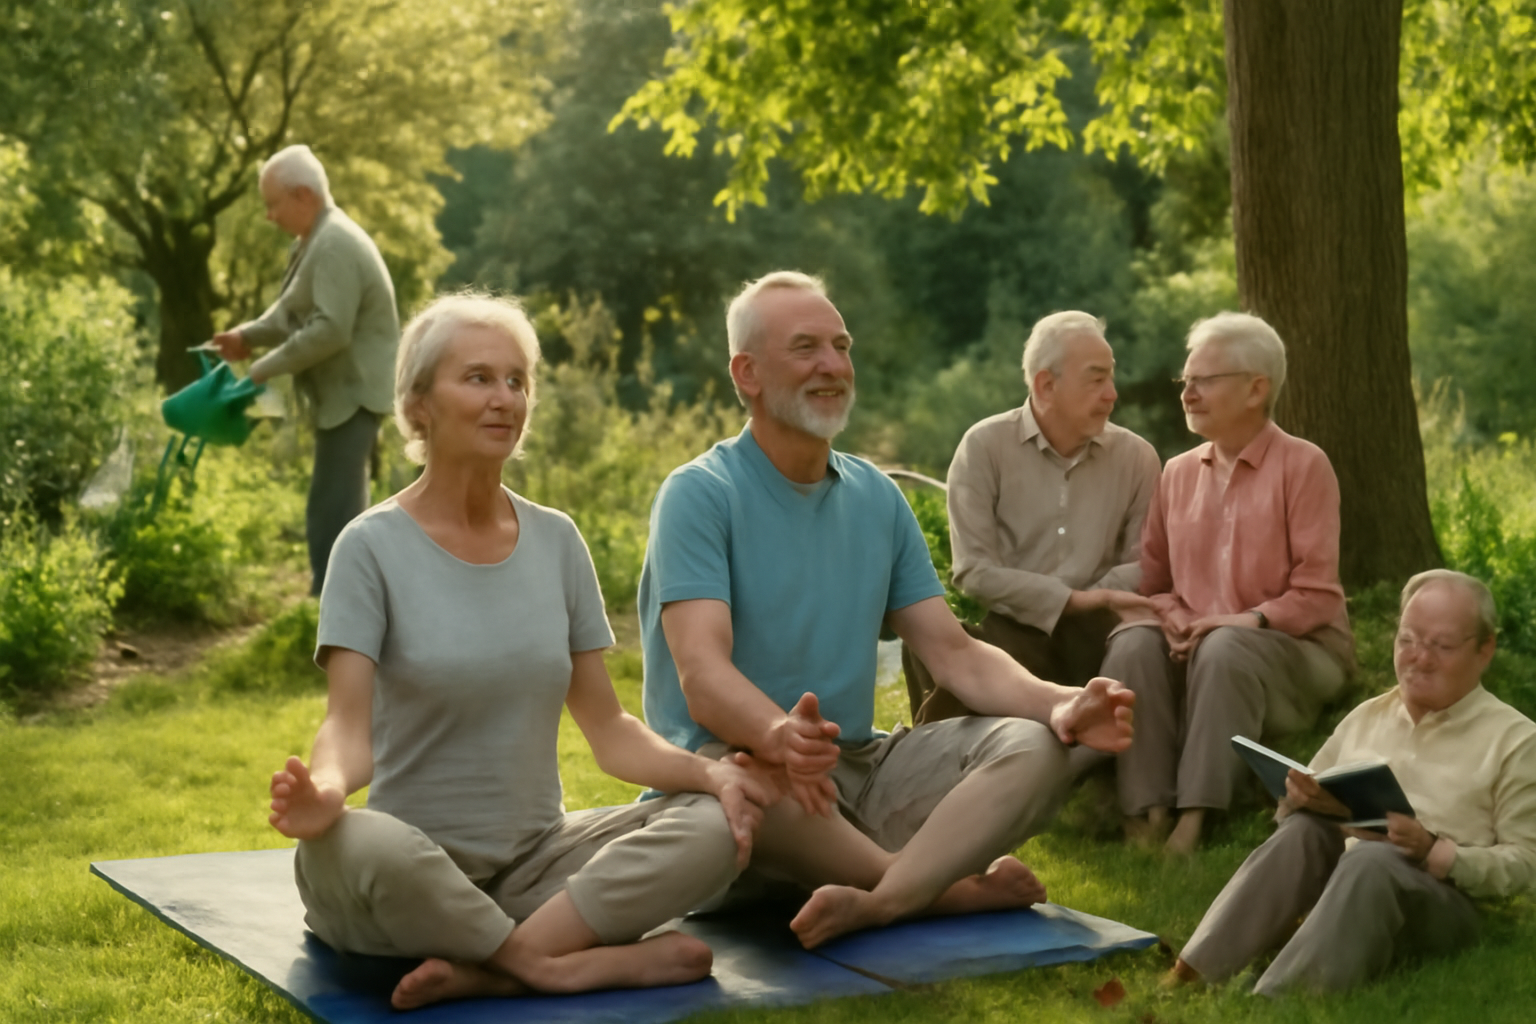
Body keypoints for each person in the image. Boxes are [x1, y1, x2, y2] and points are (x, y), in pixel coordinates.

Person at [266, 294, 774, 1011]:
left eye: (516, 380)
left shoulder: (558, 541)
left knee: (717, 820)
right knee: (361, 846)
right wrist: (323, 791)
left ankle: (494, 966)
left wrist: (710, 774)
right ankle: (554, 965)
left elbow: (610, 730)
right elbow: (348, 726)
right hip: (411, 870)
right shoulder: (370, 546)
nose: (505, 398)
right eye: (477, 378)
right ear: (418, 405)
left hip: (538, 867)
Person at [638, 271, 1135, 950]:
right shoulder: (700, 494)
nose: (833, 365)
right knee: (752, 780)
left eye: (841, 346)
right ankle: (934, 889)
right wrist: (780, 735)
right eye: (806, 347)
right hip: (742, 794)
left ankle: (885, 899)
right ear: (747, 372)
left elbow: (953, 651)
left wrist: (1059, 703)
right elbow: (701, 674)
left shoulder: (875, 495)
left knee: (1038, 745)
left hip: (862, 773)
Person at [1167, 570, 1536, 996]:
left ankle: (1281, 1003)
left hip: (1447, 901)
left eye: (1442, 646)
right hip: (1350, 884)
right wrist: (1300, 800)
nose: (1420, 657)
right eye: (1408, 640)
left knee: (1374, 861)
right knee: (1303, 830)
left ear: (1484, 649)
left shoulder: (1516, 741)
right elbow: (1299, 804)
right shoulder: (1368, 716)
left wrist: (1438, 852)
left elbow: (1527, 864)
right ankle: (1192, 971)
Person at [1100, 312, 1354, 853]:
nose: (1187, 393)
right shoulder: (1177, 472)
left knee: (1225, 645)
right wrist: (1171, 616)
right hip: (1199, 643)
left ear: (1256, 389)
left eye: (1204, 380)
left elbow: (1318, 596)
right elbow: (1156, 579)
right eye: (1185, 381)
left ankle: (1195, 817)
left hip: (1296, 654)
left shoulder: (1304, 466)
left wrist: (1235, 621)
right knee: (1132, 642)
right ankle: (1145, 810)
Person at [904, 310, 1161, 725]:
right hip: (1012, 629)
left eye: (1111, 378)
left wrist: (1092, 601)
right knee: (927, 639)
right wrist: (1068, 600)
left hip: (1099, 636)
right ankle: (950, 744)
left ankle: (997, 733)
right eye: (1097, 379)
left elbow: (1146, 561)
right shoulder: (984, 447)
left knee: (1132, 644)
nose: (1112, 393)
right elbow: (974, 570)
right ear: (1046, 384)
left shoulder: (1137, 457)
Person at [212, 144, 400, 596]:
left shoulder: (335, 244)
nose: (269, 216)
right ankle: (340, 603)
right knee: (333, 501)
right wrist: (246, 336)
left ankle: (333, 607)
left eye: (273, 204)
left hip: (354, 392)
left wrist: (262, 369)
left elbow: (329, 330)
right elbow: (290, 312)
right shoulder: (315, 240)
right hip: (341, 393)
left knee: (335, 507)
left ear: (302, 195)